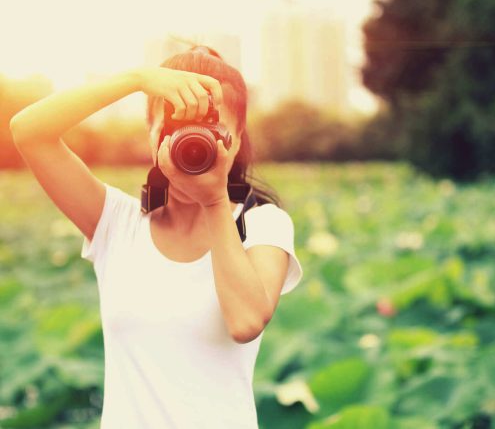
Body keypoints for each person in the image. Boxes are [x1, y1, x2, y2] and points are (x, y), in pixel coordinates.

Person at [9, 45, 304, 428]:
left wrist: (214, 200)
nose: (191, 145)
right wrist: (137, 79)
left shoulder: (262, 223)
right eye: (172, 129)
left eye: (210, 131)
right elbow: (28, 133)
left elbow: (246, 321)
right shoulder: (116, 222)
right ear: (148, 133)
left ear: (237, 137)